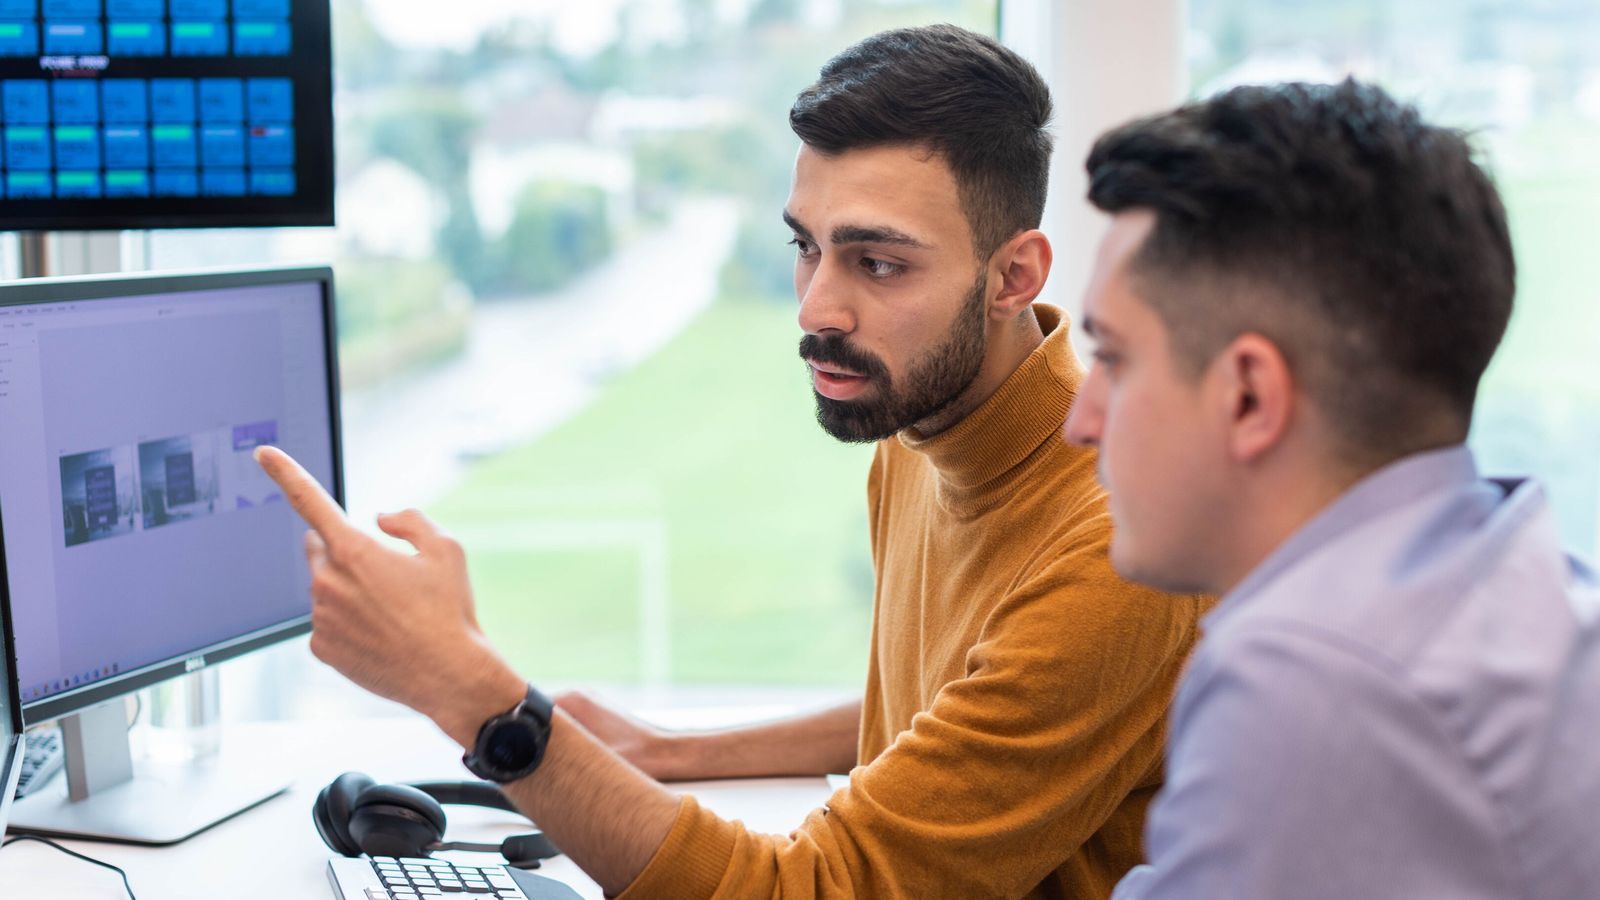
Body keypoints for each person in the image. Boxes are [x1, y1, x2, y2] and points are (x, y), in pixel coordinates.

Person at [258, 24, 1209, 900]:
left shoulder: (1119, 552)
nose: (816, 309)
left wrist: (469, 692)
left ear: (1014, 277)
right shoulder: (927, 432)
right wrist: (673, 750)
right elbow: (953, 717)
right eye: (808, 249)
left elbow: (817, 890)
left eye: (878, 263)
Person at [1064, 79, 1600, 899]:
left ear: (1248, 396)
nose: (1082, 420)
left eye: (1113, 359)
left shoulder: (1311, 678)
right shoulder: (1519, 577)